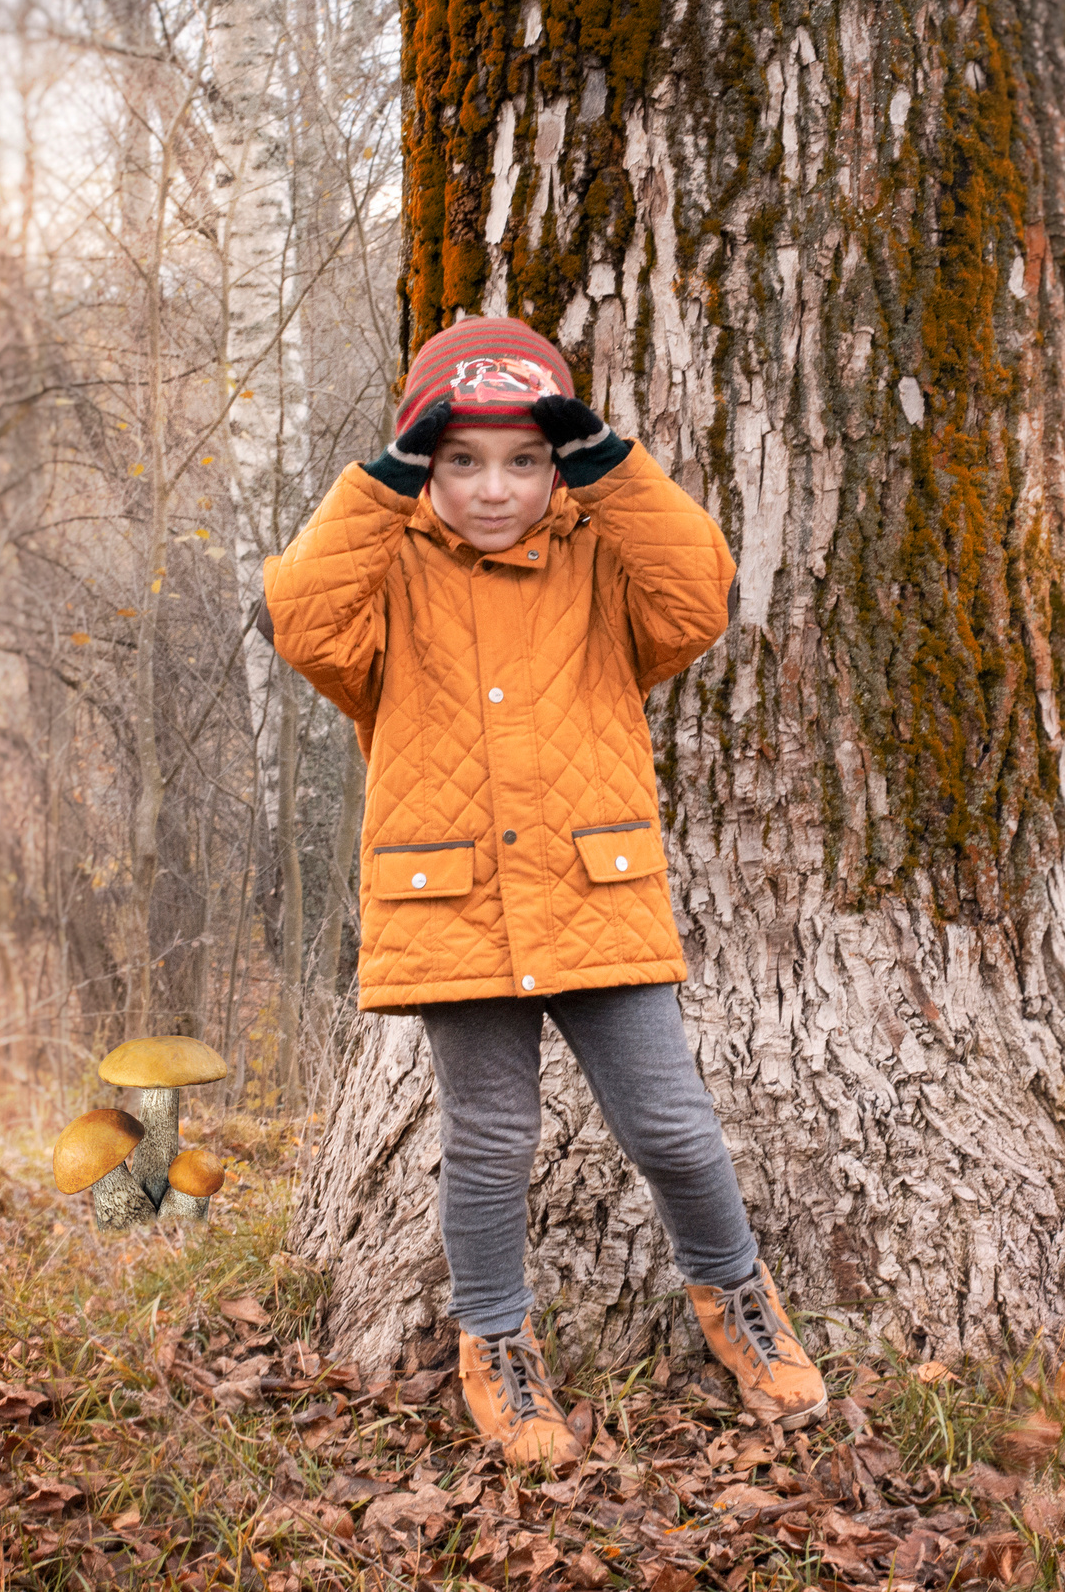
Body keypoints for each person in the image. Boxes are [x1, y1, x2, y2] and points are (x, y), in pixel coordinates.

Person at [260, 317, 826, 1465]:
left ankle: (737, 1302)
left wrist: (613, 463)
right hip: (453, 902)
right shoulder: (387, 574)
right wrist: (379, 484)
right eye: (460, 460)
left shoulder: (601, 562)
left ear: (559, 462)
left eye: (524, 458)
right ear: (423, 461)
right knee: (489, 1139)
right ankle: (496, 1351)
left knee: (671, 1126)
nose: (492, 487)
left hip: (592, 890)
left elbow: (697, 594)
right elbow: (300, 619)